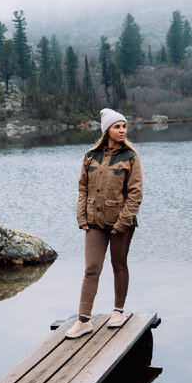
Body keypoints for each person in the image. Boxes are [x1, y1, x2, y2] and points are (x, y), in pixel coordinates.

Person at [65, 108, 143, 338]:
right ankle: (83, 320)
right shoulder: (90, 156)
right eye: (117, 126)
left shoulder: (130, 157)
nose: (122, 130)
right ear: (107, 130)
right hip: (94, 223)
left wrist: (122, 223)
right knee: (91, 269)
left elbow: (135, 194)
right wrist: (82, 217)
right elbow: (82, 188)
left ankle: (118, 311)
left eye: (124, 126)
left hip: (121, 224)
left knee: (118, 266)